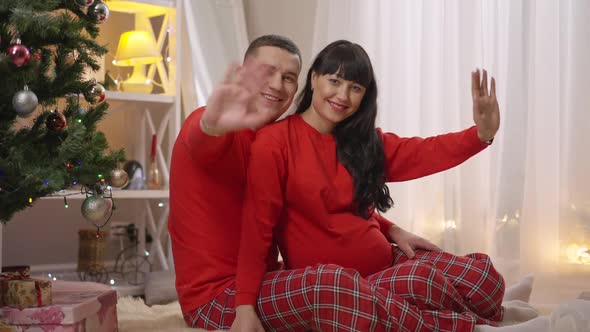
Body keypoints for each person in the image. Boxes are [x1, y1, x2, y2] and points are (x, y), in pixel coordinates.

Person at [169, 35, 448, 331]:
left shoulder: (271, 140)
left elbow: (313, 198)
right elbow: (200, 143)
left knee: (423, 273)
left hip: (264, 281)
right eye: (267, 72)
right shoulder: (209, 123)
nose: (277, 85)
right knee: (332, 283)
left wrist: (388, 228)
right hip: (218, 297)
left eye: (288, 77)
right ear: (244, 74)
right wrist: (211, 125)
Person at [234, 40, 505, 331]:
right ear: (313, 79)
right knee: (423, 281)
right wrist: (245, 307)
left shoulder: (364, 143)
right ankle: (477, 325)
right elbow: (257, 228)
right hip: (345, 288)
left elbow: (426, 152)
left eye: (355, 87)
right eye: (334, 81)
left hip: (387, 264)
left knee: (486, 281)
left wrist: (481, 134)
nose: (343, 95)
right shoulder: (274, 143)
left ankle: (452, 308)